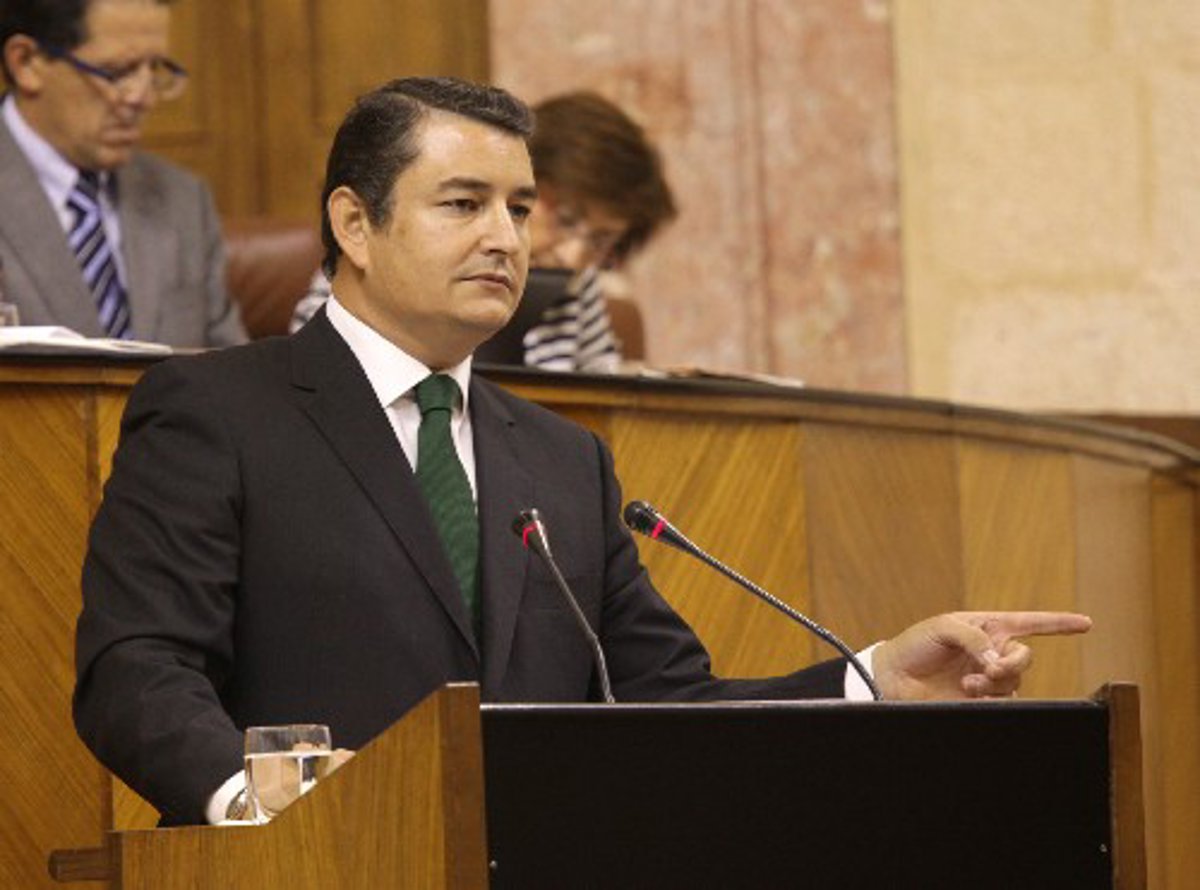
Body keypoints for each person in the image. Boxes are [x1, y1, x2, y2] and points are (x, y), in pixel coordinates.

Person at [73, 76, 1091, 827]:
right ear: (355, 223)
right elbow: (137, 667)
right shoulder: (219, 412)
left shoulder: (563, 460)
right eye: (463, 204)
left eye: (520, 208)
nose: (508, 239)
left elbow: (671, 708)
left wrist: (877, 680)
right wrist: (258, 801)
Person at [289, 90, 675, 372]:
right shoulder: (384, 258)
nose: (572, 256)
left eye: (600, 240)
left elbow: (599, 398)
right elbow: (313, 369)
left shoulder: (577, 284)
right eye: (567, 219)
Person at [0, 0, 246, 346]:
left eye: (154, 68)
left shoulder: (184, 200)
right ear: (26, 62)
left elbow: (229, 364)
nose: (142, 98)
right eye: (116, 71)